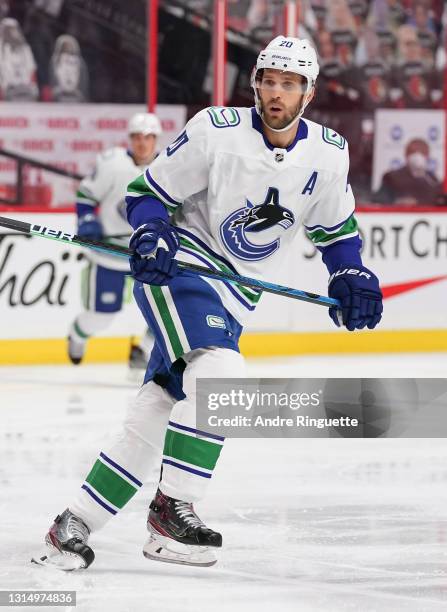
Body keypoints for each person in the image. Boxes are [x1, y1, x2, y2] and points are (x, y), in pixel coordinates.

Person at [33, 36, 383, 570]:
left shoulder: (329, 153)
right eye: (268, 80)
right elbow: (146, 193)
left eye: (289, 85)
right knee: (222, 376)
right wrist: (151, 233)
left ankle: (74, 524)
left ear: (308, 93)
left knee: (158, 408)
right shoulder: (215, 132)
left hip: (237, 292)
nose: (276, 93)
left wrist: (352, 274)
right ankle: (173, 507)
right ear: (256, 84)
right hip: (183, 267)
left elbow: (336, 232)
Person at [67, 112, 162, 370]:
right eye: (137, 137)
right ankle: (77, 334)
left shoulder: (166, 168)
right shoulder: (113, 164)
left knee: (166, 310)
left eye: (148, 137)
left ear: (156, 139)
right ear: (130, 139)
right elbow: (86, 196)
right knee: (102, 317)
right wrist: (87, 221)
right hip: (109, 253)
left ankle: (141, 350)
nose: (142, 143)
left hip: (148, 256)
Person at [374, 138, 444, 205]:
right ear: (406, 154)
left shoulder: (432, 179)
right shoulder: (391, 177)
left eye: (422, 152)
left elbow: (438, 201)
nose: (418, 156)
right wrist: (398, 202)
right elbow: (379, 200)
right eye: (413, 152)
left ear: (428, 156)